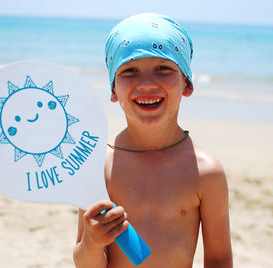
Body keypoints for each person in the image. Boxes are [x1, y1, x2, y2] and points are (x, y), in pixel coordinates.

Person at [73, 13, 232, 268]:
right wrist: (91, 243)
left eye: (163, 68)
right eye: (130, 71)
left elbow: (219, 258)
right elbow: (86, 262)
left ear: (187, 83)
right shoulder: (98, 167)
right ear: (114, 89)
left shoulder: (206, 172)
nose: (146, 83)